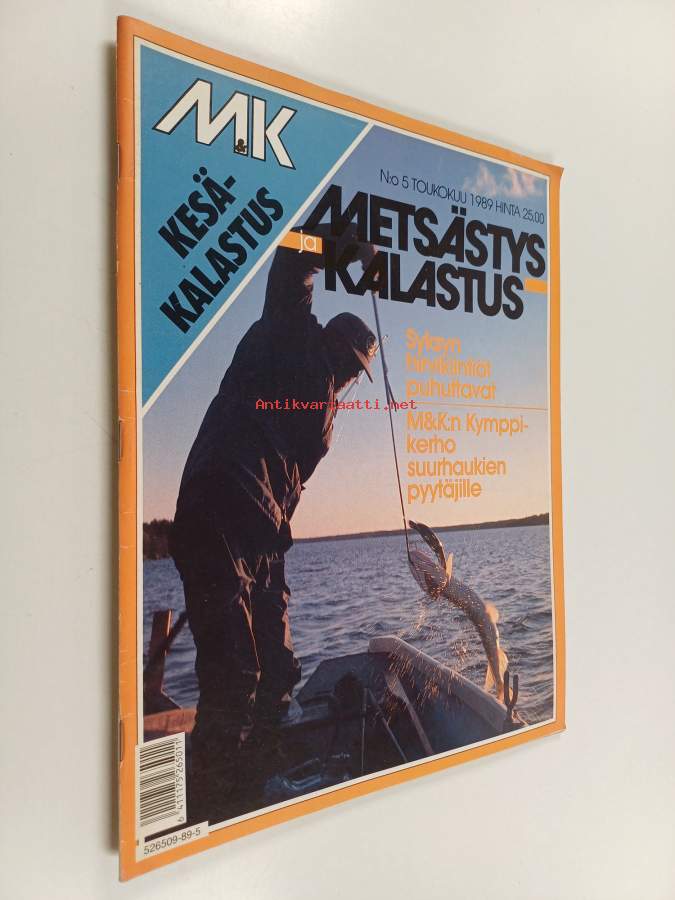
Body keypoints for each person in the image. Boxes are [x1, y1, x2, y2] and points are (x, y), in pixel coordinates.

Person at [169, 224, 377, 821]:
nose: (349, 379)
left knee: (277, 668)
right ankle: (218, 801)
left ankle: (260, 772)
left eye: (355, 374)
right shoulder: (290, 334)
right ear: (336, 347)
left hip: (261, 535)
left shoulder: (324, 404)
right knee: (234, 673)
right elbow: (292, 260)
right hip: (217, 511)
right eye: (351, 366)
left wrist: (276, 537)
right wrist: (343, 245)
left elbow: (289, 481)